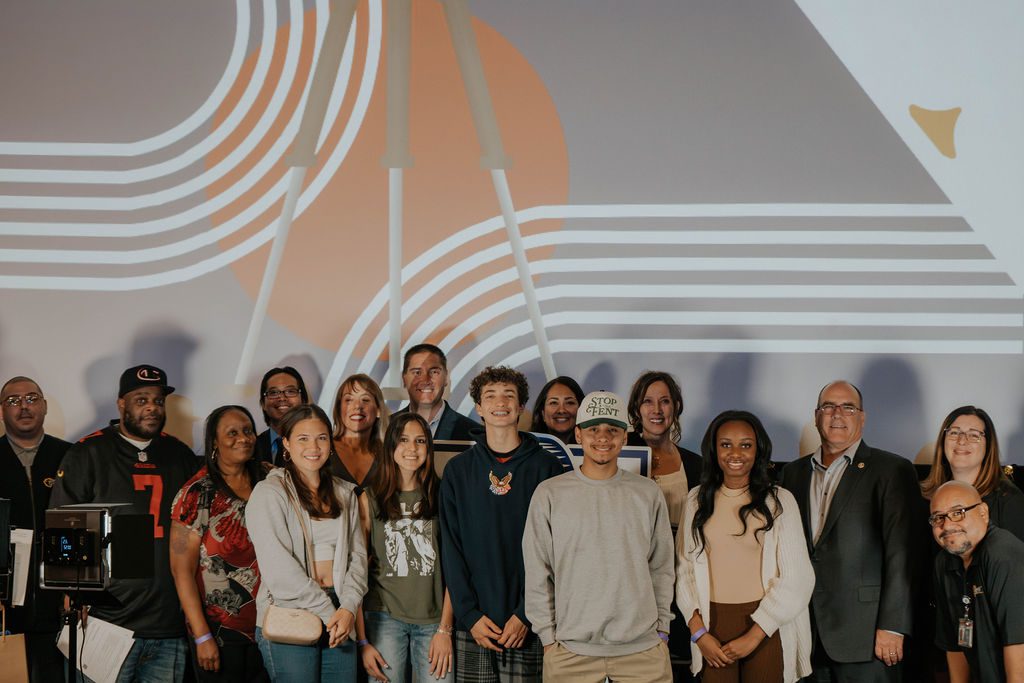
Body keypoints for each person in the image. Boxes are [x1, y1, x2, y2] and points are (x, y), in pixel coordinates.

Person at [50, 364, 200, 682]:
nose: (152, 408)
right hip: (105, 622)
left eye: (158, 401)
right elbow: (64, 526)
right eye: (141, 400)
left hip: (167, 624)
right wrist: (74, 592)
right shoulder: (88, 452)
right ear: (121, 404)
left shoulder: (179, 454)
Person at [524, 391, 674, 682]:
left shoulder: (647, 493)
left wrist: (662, 630)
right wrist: (548, 638)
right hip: (570, 651)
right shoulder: (550, 494)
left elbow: (662, 567)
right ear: (578, 435)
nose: (603, 437)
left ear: (625, 437)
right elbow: (538, 571)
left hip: (643, 650)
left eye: (612, 430)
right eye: (593, 429)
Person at [779, 380, 920, 682]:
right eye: (828, 406)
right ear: (816, 416)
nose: (837, 414)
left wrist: (893, 626)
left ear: (862, 417)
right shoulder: (792, 474)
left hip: (867, 638)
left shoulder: (891, 470)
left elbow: (902, 554)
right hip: (806, 634)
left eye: (848, 407)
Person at [439, 366, 563, 682]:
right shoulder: (458, 472)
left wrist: (526, 614)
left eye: (509, 395)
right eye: (490, 396)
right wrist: (469, 614)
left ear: (521, 406)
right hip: (474, 625)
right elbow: (451, 550)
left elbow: (556, 551)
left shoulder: (547, 469)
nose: (500, 402)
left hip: (528, 624)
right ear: (479, 408)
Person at [676, 410, 814, 683]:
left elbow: (798, 578)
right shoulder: (695, 500)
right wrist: (699, 633)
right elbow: (684, 570)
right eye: (726, 444)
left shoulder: (780, 501)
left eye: (746, 445)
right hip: (712, 627)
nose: (735, 453)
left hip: (767, 626)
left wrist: (755, 635)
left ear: (758, 450)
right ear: (714, 450)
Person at [247, 404, 368, 681]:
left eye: (321, 438)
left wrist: (348, 607)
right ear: (286, 443)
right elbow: (279, 571)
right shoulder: (269, 493)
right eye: (303, 438)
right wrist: (329, 612)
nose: (313, 447)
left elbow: (358, 558)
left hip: (340, 612)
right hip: (292, 612)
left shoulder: (344, 493)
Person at [169, 405, 269, 682]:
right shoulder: (196, 494)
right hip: (220, 631)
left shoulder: (270, 480)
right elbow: (181, 571)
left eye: (248, 431)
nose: (243, 438)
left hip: (272, 625)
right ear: (214, 442)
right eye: (232, 433)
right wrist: (202, 636)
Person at [355, 412, 455, 682]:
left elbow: (456, 569)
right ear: (390, 446)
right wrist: (362, 641)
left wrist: (445, 629)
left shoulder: (443, 495)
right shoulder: (369, 498)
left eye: (420, 440)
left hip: (434, 620)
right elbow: (356, 572)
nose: (412, 448)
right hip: (384, 618)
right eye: (403, 440)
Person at [626, 370, 703, 663]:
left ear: (676, 407)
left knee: (677, 661)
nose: (656, 410)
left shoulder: (697, 465)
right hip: (632, 580)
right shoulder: (618, 456)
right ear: (636, 409)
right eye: (648, 401)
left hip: (680, 580)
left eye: (665, 401)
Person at [0, 376, 71, 681]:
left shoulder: (70, 456)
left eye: (31, 398)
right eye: (13, 401)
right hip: (4, 611)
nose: (24, 406)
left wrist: (77, 591)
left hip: (59, 606)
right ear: (1, 411)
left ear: (44, 406)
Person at [929, 480, 1024, 682]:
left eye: (958, 513)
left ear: (983, 512)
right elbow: (954, 644)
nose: (947, 525)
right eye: (938, 518)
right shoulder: (944, 562)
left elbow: (1019, 644)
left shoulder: (1003, 556)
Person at [921, 405, 1024, 540]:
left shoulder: (1009, 501)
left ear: (988, 446)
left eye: (974, 435)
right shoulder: (923, 498)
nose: (962, 441)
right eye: (954, 433)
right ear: (943, 440)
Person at [394, 344, 477, 441]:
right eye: (417, 372)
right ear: (404, 379)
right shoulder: (384, 427)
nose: (425, 380)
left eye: (434, 372)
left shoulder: (474, 434)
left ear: (446, 378)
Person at [330, 374, 388, 490]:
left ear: (378, 410)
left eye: (365, 400)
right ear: (339, 409)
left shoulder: (388, 454)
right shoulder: (323, 449)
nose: (357, 406)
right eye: (349, 400)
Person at [253, 367, 309, 466]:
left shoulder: (318, 442)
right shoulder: (252, 446)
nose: (282, 398)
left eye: (290, 391)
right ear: (263, 404)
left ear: (303, 401)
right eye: (273, 392)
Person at [529, 376, 584, 445]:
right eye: (554, 403)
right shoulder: (528, 448)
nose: (561, 410)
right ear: (543, 414)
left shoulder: (594, 448)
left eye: (569, 403)